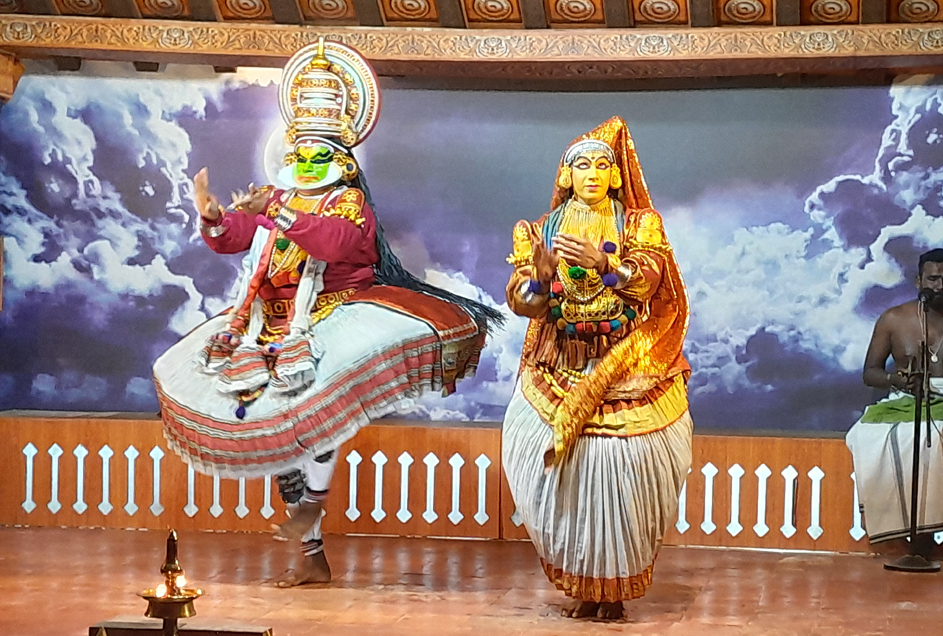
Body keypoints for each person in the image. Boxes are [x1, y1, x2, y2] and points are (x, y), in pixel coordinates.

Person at [153, 39, 500, 587]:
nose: (307, 164)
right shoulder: (278, 199)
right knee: (280, 441)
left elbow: (332, 243)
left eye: (319, 156)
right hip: (266, 326)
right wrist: (215, 218)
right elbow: (238, 237)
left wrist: (277, 207)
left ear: (342, 161)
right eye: (300, 155)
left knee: (316, 429)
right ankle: (311, 550)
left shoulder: (347, 203)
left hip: (331, 322)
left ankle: (311, 513)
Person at [501, 117, 692, 620]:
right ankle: (583, 587)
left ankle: (616, 592)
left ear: (616, 174)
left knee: (626, 478)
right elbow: (523, 304)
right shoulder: (537, 231)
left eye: (602, 165)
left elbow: (648, 280)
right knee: (565, 486)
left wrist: (605, 265)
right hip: (558, 366)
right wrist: (540, 282)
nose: (592, 173)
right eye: (581, 164)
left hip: (627, 367)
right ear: (565, 175)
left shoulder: (639, 224)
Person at [846, 248, 943, 559]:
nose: (939, 286)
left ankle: (928, 530)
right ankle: (894, 526)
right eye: (932, 279)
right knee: (862, 434)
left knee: (935, 436)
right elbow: (870, 373)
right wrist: (897, 380)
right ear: (919, 280)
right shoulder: (894, 318)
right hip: (906, 399)